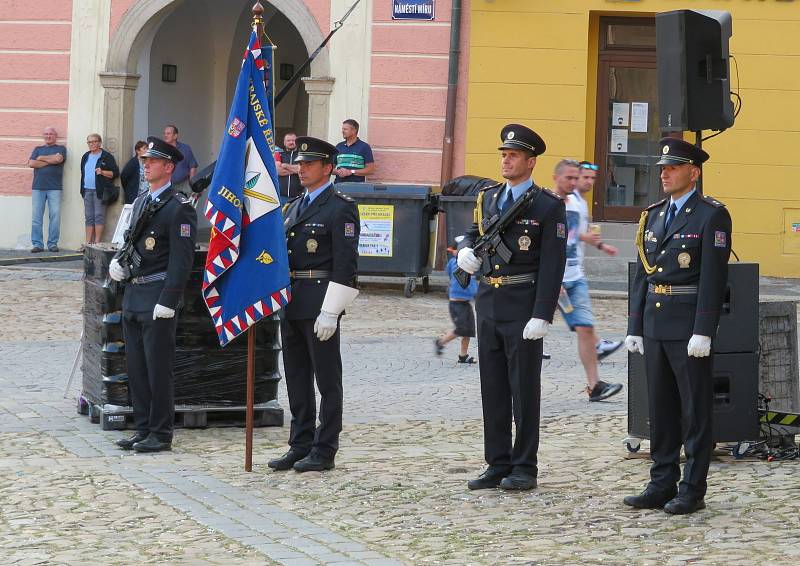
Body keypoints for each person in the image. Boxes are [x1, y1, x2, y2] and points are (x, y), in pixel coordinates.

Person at [624, 138, 732, 515]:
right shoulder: (652, 215)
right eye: (662, 168)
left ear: (694, 172)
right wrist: (634, 325)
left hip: (688, 327)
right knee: (662, 409)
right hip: (655, 324)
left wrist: (704, 329)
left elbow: (714, 278)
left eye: (672, 167)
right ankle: (661, 481)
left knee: (694, 411)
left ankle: (692, 489)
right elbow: (643, 275)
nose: (664, 173)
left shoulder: (710, 215)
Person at [458, 124, 566, 491]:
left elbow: (553, 264)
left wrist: (542, 314)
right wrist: (464, 251)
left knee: (523, 389)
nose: (506, 160)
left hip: (523, 306)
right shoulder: (488, 197)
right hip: (488, 301)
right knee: (493, 388)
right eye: (503, 154)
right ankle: (497, 461)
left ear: (531, 161)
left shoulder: (547, 205)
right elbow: (474, 232)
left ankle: (524, 465)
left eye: (514, 155)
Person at [269, 136, 360, 473]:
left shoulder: (340, 206)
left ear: (328, 168)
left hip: (321, 300)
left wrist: (332, 310)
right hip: (292, 301)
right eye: (300, 163)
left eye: (309, 164)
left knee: (326, 379)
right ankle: (300, 442)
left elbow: (346, 264)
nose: (302, 169)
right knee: (296, 376)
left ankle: (325, 448)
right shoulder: (293, 206)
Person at [108, 137, 197, 453]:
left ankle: (160, 433)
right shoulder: (143, 200)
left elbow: (182, 259)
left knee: (158, 368)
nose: (145, 165)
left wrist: (169, 299)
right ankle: (143, 426)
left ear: (169, 167)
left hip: (158, 295)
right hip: (135, 292)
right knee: (136, 367)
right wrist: (118, 264)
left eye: (152, 161)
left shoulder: (179, 207)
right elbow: (131, 242)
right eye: (144, 161)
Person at [552, 159, 623, 402]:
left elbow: (574, 233)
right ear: (557, 177)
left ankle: (595, 386)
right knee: (530, 328)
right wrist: (552, 277)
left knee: (585, 327)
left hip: (575, 277)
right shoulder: (550, 203)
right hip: (555, 280)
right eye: (572, 178)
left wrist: (600, 244)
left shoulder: (578, 204)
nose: (578, 182)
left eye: (580, 178)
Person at [575, 161, 625, 362]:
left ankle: (597, 347)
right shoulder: (569, 201)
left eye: (592, 179)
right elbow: (563, 231)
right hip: (565, 270)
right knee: (580, 315)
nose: (589, 182)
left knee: (578, 316)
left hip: (574, 267)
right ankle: (597, 346)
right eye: (585, 177)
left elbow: (584, 232)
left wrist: (601, 246)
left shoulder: (582, 202)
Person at [435, 236, 479, 364]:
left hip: (464, 303)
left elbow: (449, 274)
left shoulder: (461, 263)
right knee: (462, 329)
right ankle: (440, 342)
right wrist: (476, 293)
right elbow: (468, 284)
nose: (454, 252)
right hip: (457, 303)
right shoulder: (457, 264)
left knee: (469, 330)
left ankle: (463, 356)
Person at [28, 126, 66, 252]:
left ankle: (52, 244)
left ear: (55, 136)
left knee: (55, 217)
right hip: (38, 187)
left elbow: (58, 159)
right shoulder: (37, 149)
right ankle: (38, 244)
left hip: (54, 188)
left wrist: (41, 158)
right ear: (44, 136)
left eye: (51, 134)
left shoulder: (61, 149)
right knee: (36, 218)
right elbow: (31, 163)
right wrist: (51, 160)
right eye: (46, 134)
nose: (48, 136)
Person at [79, 134, 119, 246]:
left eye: (93, 141)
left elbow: (115, 173)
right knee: (89, 217)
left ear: (99, 143)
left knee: (98, 216)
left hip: (100, 191)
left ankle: (96, 243)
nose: (91, 144)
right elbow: (83, 173)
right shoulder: (85, 156)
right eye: (89, 142)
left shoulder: (106, 156)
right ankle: (88, 243)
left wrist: (102, 172)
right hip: (87, 190)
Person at [333, 119, 375, 183]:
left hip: (357, 188)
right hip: (339, 186)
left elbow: (370, 170)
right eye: (342, 129)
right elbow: (330, 169)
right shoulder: (339, 146)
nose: (342, 131)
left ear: (354, 131)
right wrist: (338, 171)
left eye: (345, 129)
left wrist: (351, 172)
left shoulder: (364, 147)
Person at [163, 124, 198, 194]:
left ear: (175, 136)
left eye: (168, 133)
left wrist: (192, 185)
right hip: (167, 186)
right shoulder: (161, 149)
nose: (165, 135)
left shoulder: (185, 148)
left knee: (185, 205)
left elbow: (193, 167)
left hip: (184, 186)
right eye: (164, 133)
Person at [277, 131, 302, 203]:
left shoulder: (301, 155)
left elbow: (302, 169)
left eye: (293, 140)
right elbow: (279, 171)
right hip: (281, 197)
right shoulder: (279, 154)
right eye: (288, 140)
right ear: (284, 143)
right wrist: (296, 169)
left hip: (298, 197)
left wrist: (285, 166)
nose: (291, 142)